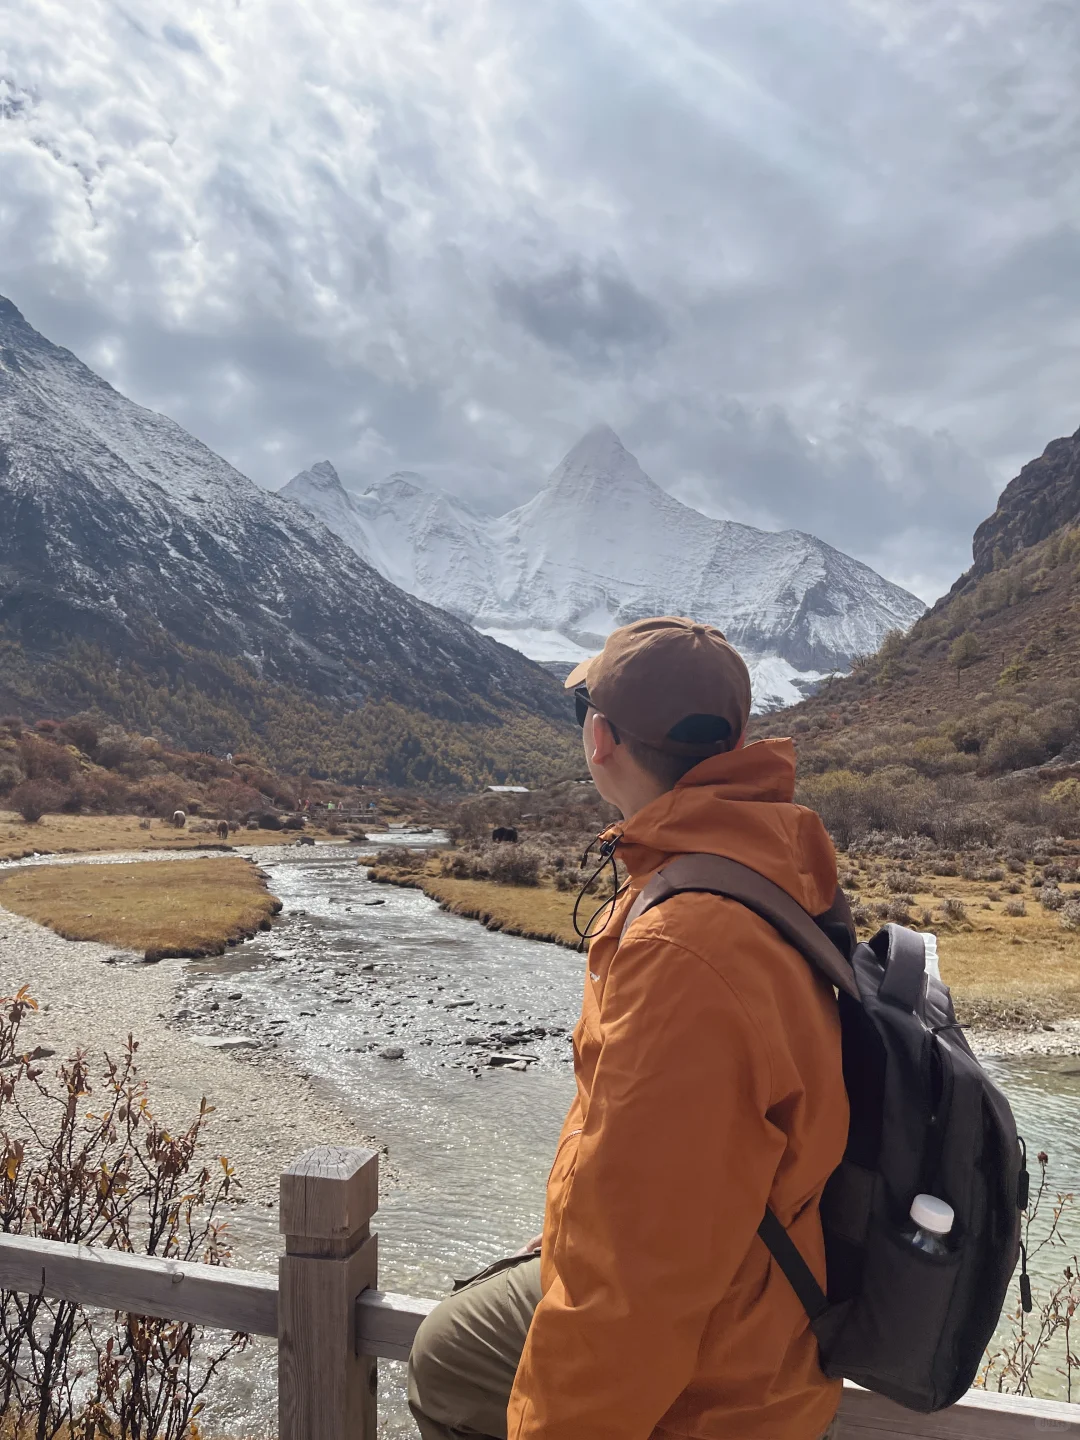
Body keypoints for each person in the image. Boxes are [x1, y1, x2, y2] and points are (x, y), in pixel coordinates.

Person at [408, 616, 848, 1440]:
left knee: (451, 1361)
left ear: (601, 740)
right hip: (780, 1289)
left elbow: (640, 1281)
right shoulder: (765, 858)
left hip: (729, 1372)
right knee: (450, 1347)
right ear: (735, 739)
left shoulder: (684, 948)